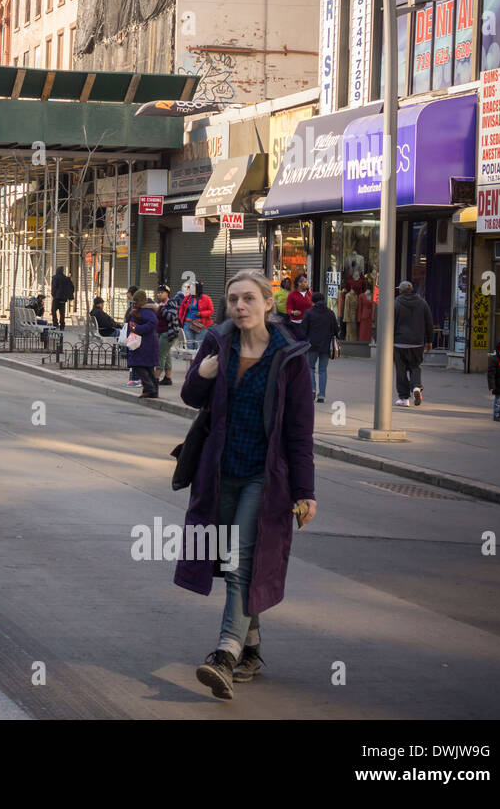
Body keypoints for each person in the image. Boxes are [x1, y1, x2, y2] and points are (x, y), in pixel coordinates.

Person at [178, 269, 316, 699]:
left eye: (248, 299)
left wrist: (305, 491)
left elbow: (299, 432)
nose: (239, 307)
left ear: (268, 303)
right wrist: (204, 373)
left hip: (265, 478)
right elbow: (190, 398)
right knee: (227, 561)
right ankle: (252, 648)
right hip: (220, 473)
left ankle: (225, 653)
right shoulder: (218, 343)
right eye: (233, 299)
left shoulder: (290, 357)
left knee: (239, 562)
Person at [392, 279, 434, 407]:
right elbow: (429, 323)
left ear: (400, 291)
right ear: (411, 290)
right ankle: (416, 387)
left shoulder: (396, 303)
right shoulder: (422, 303)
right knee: (415, 366)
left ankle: (404, 398)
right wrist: (429, 341)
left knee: (401, 370)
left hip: (399, 342)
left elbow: (391, 323)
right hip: (417, 342)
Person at [299, 291, 339, 403]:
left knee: (310, 368)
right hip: (326, 346)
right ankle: (322, 395)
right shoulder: (330, 313)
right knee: (323, 370)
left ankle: (312, 389)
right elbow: (336, 330)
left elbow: (303, 330)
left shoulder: (309, 313)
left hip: (312, 345)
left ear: (313, 301)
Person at [126, 289, 159, 398]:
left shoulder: (147, 310)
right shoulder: (141, 309)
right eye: (134, 302)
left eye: (137, 302)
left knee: (139, 365)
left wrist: (137, 328)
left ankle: (150, 388)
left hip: (145, 343)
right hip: (144, 343)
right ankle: (153, 390)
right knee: (148, 367)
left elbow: (153, 323)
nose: (135, 304)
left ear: (143, 300)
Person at [156, 285, 181, 386]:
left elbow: (171, 316)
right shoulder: (159, 304)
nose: (159, 294)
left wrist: (161, 309)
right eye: (158, 292)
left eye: (162, 292)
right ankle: (167, 378)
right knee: (166, 355)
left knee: (160, 355)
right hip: (160, 332)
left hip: (168, 333)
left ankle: (155, 378)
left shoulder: (172, 303)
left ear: (167, 293)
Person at [182, 280, 214, 349]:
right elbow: (182, 310)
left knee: (198, 346)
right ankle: (191, 360)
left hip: (200, 324)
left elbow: (211, 311)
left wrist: (201, 314)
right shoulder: (187, 298)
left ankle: (197, 360)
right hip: (188, 324)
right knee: (189, 345)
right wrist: (180, 320)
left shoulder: (206, 298)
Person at [286, 274, 313, 341]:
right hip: (296, 324)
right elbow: (288, 308)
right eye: (305, 282)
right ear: (299, 283)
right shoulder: (292, 295)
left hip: (308, 323)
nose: (307, 284)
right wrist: (293, 312)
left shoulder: (310, 294)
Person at [51, 266, 74, 331]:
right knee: (62, 312)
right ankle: (62, 325)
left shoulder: (55, 278)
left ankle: (55, 323)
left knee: (53, 310)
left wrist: (53, 294)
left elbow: (54, 287)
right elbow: (72, 287)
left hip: (56, 298)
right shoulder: (66, 278)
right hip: (63, 298)